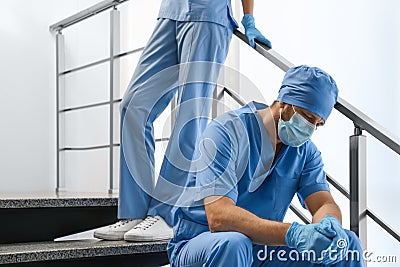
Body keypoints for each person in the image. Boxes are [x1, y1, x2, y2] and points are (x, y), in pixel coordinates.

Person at [94, 0, 271, 241]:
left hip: (208, 15)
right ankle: (134, 212)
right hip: (171, 12)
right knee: (134, 106)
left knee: (190, 114)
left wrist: (249, 18)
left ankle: (166, 215)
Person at [167, 65, 365, 266]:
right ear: (284, 102)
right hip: (204, 242)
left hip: (262, 247)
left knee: (347, 246)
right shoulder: (226, 132)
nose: (310, 129)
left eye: (318, 124)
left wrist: (328, 225)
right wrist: (294, 233)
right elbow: (219, 217)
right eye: (307, 117)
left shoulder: (305, 152)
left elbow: (323, 203)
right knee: (234, 243)